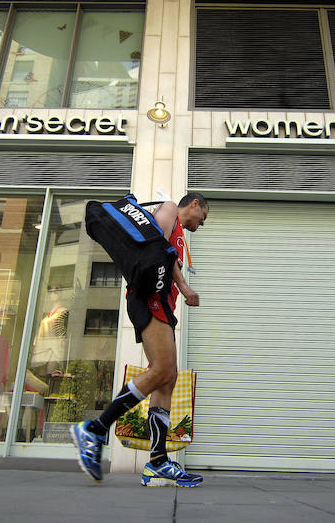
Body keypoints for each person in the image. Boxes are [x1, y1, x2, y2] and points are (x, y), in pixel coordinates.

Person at [70, 192, 209, 487]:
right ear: (194, 204)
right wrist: (184, 286)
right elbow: (154, 242)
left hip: (161, 302)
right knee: (161, 370)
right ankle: (95, 428)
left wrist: (180, 288)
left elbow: (164, 249)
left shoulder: (181, 235)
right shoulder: (171, 208)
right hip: (150, 298)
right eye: (203, 217)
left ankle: (157, 463)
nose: (203, 223)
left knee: (167, 379)